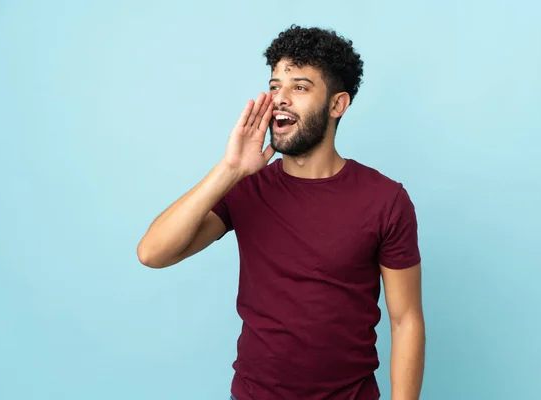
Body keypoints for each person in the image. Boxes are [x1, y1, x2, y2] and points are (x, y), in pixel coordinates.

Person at [137, 25, 425, 400]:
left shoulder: (386, 200)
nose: (280, 99)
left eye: (299, 87)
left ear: (337, 104)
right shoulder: (244, 187)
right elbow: (152, 253)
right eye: (275, 87)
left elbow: (406, 321)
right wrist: (230, 169)